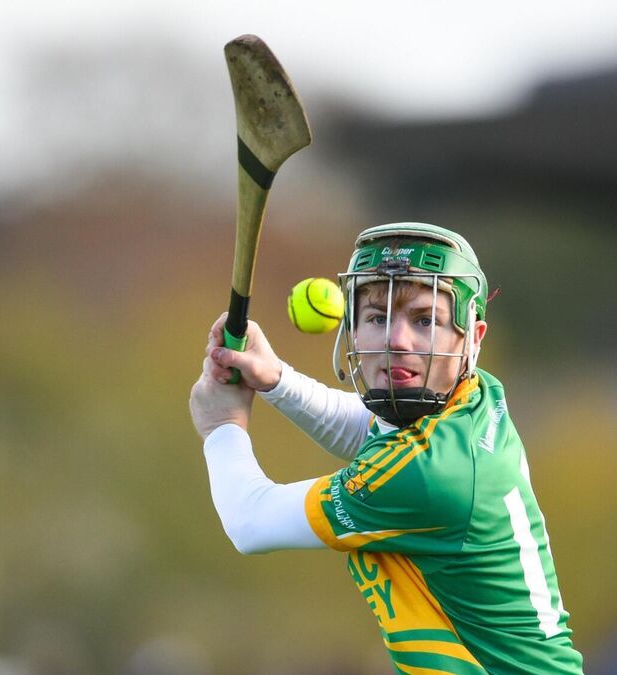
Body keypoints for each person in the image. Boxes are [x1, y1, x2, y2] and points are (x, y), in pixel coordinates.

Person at [189, 223, 584, 674]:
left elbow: (250, 522)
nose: (397, 341)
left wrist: (221, 426)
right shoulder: (472, 399)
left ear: (472, 338)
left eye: (424, 320)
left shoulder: (429, 474)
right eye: (378, 318)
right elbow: (374, 429)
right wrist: (276, 379)